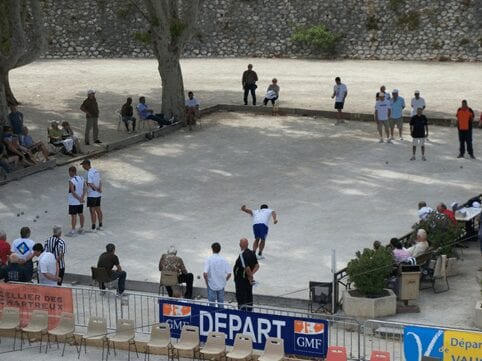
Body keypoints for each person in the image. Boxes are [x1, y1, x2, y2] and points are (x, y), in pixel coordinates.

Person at [233, 238, 259, 311]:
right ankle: (249, 312)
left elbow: (247, 269)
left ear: (240, 245)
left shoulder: (242, 255)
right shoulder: (252, 253)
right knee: (249, 297)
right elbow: (257, 266)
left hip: (242, 281)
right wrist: (251, 274)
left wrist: (250, 277)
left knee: (242, 299)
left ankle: (243, 314)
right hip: (247, 280)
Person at [203, 242, 231, 307]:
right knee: (221, 305)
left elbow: (205, 274)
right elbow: (229, 274)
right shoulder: (224, 259)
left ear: (212, 249)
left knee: (211, 306)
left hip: (211, 284)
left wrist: (207, 284)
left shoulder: (209, 259)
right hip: (221, 285)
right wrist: (224, 281)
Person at [81, 159, 103, 232]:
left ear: (87, 165)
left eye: (83, 165)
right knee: (98, 209)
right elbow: (100, 181)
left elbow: (90, 183)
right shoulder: (96, 171)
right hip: (98, 195)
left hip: (92, 195)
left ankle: (93, 227)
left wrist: (96, 188)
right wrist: (99, 189)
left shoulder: (89, 173)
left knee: (92, 211)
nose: (82, 166)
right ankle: (100, 225)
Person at [67, 166, 86, 236]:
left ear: (72, 172)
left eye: (69, 172)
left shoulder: (71, 181)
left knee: (73, 216)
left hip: (73, 201)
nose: (69, 174)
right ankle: (81, 228)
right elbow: (84, 188)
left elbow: (72, 192)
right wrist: (82, 197)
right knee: (81, 214)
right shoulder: (81, 178)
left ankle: (73, 230)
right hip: (80, 201)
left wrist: (79, 198)